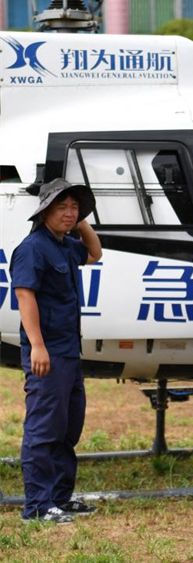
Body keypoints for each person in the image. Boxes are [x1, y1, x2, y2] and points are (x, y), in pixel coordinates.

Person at [10, 178, 102, 523]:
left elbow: (95, 253)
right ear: (44, 211)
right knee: (44, 430)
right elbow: (24, 296)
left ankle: (59, 499)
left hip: (68, 351)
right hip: (47, 352)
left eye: (74, 207)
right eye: (61, 207)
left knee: (67, 428)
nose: (69, 213)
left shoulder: (64, 245)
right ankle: (37, 506)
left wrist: (79, 220)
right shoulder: (33, 248)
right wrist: (37, 346)